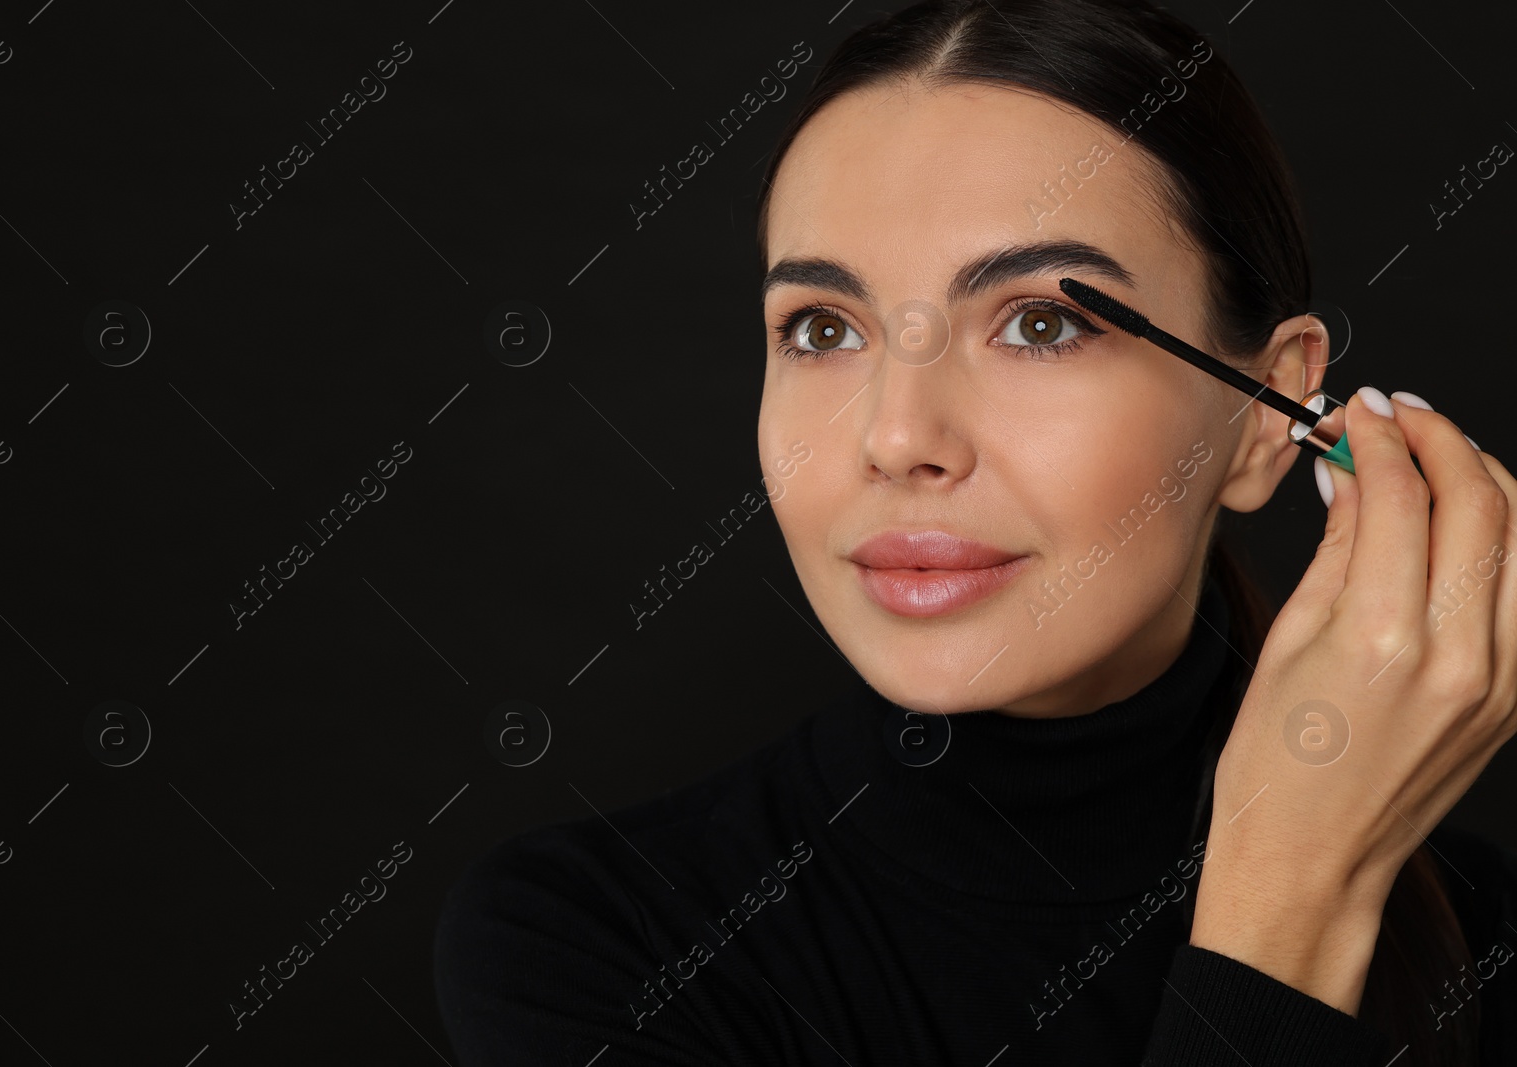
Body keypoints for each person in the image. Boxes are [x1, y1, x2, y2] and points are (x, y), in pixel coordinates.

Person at [434, 0, 1517, 1062]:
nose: (899, 436)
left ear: (1260, 415)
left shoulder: (1484, 942)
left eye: (1039, 324)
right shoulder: (590, 943)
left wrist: (1308, 871)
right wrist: (1291, 900)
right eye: (821, 328)